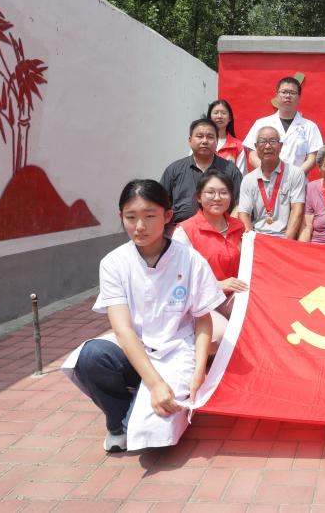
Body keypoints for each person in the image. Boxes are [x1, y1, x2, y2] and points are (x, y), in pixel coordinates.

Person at [62, 180, 227, 452]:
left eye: (150, 216)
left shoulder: (190, 260)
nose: (140, 226)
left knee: (157, 434)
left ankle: (141, 408)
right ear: (121, 217)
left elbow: (202, 320)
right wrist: (155, 384)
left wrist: (199, 373)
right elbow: (123, 330)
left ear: (167, 216)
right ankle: (119, 422)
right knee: (91, 356)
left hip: (176, 350)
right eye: (131, 217)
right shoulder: (113, 263)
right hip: (134, 349)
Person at [171, 169, 249, 314]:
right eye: (210, 192)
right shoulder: (185, 231)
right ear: (199, 197)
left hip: (236, 295)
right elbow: (176, 276)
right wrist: (218, 285)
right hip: (201, 301)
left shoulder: (239, 227)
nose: (217, 198)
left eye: (223, 192)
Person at [161, 118, 243, 229]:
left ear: (217, 141)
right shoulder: (174, 170)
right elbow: (160, 205)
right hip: (180, 231)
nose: (205, 141)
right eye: (199, 136)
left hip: (221, 231)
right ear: (190, 140)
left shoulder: (230, 170)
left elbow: (240, 204)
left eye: (210, 137)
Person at [237, 126, 307, 239]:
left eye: (273, 141)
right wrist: (250, 239)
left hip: (284, 238)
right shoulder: (248, 179)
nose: (267, 146)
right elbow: (244, 214)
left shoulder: (295, 173)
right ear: (256, 147)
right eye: (262, 141)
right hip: (258, 237)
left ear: (281, 146)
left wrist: (286, 242)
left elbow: (297, 210)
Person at [242, 77, 323, 174]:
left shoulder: (310, 126)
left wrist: (294, 177)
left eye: (292, 93)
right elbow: (252, 156)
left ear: (299, 98)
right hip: (266, 179)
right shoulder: (261, 123)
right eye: (284, 92)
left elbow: (312, 158)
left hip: (297, 180)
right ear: (276, 95)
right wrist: (269, 174)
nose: (288, 96)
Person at [207, 99, 246, 171]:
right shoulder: (201, 142)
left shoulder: (237, 146)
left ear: (230, 118)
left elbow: (240, 175)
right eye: (216, 113)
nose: (219, 116)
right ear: (209, 117)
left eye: (223, 113)